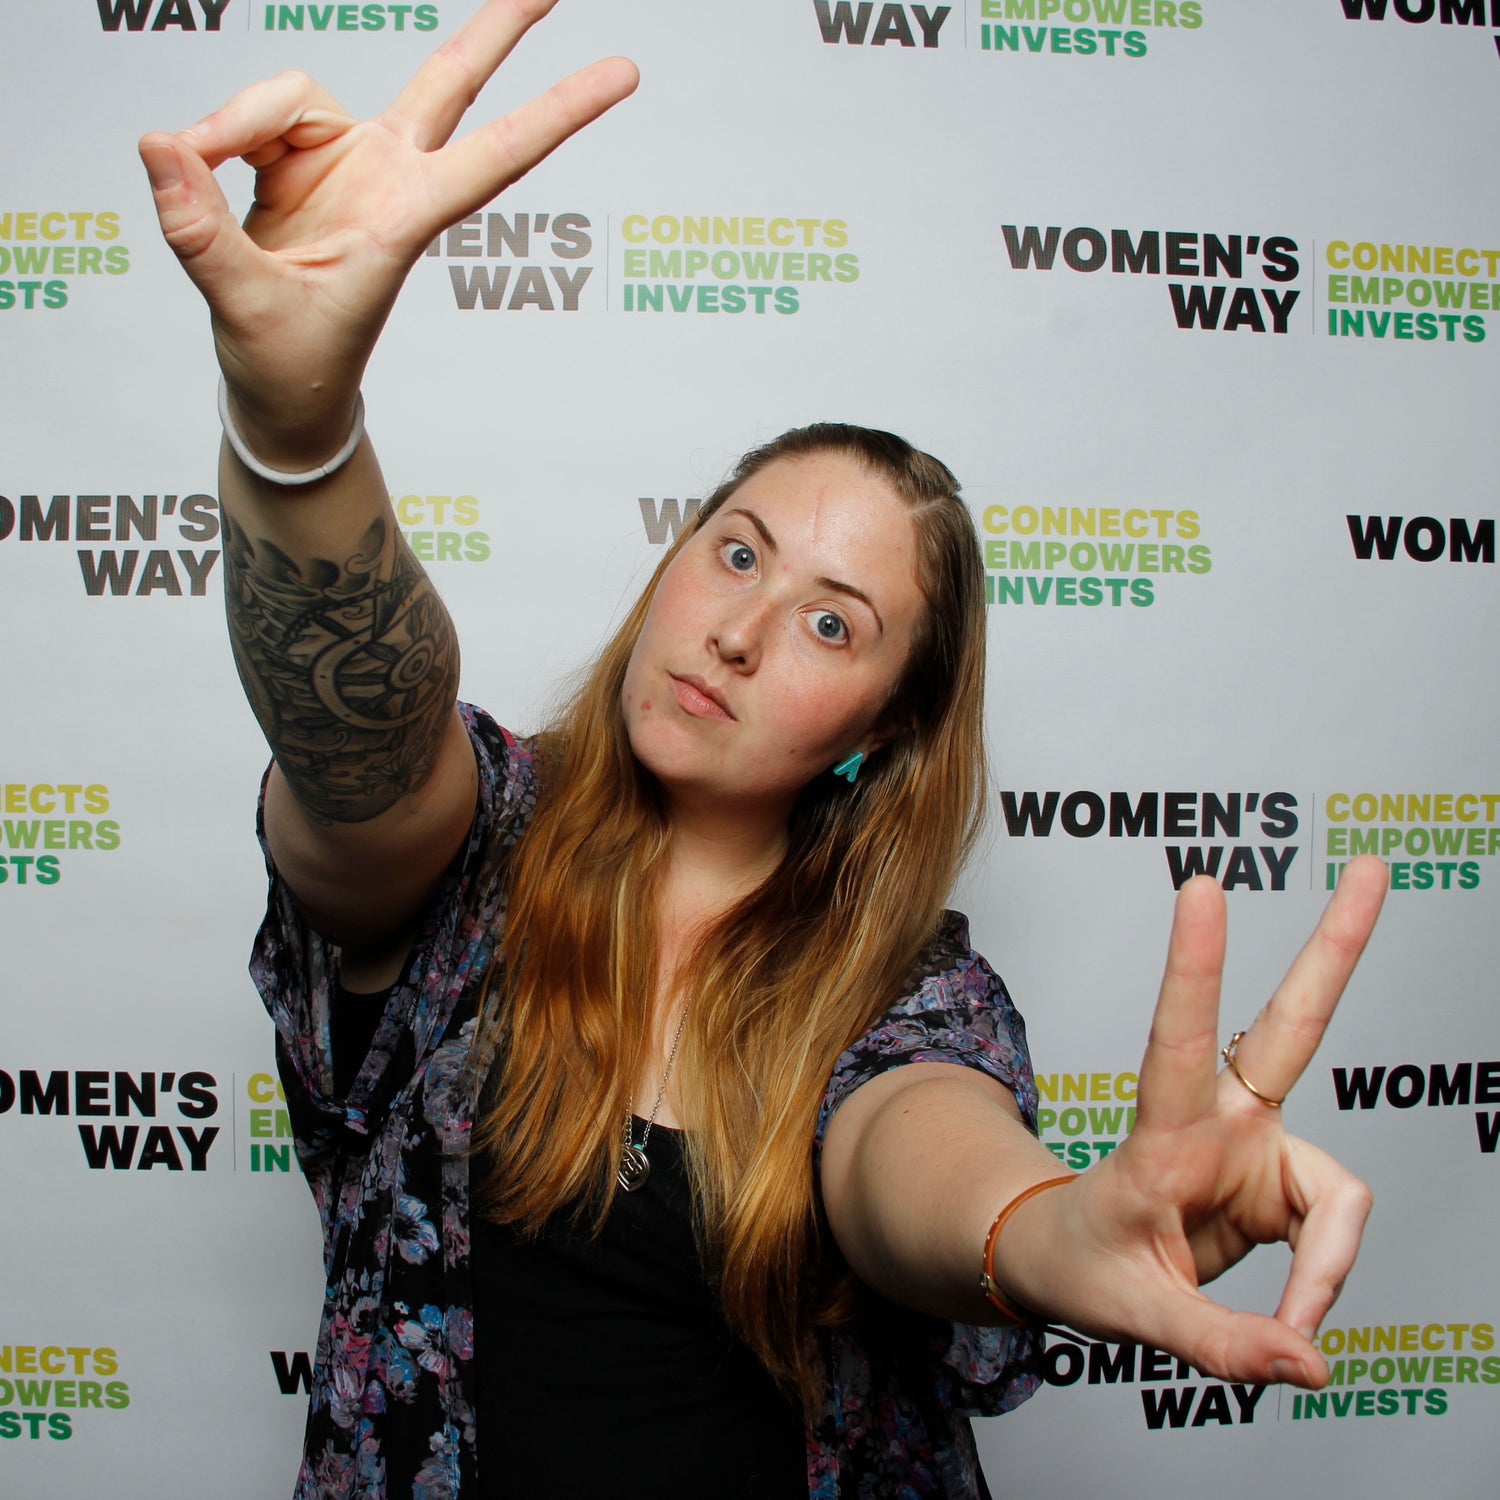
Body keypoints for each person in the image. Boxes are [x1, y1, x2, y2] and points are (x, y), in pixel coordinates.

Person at [138, 2, 1389, 1496]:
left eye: (833, 625)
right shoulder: (478, 848)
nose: (740, 629)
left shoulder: (914, 997)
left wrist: (1062, 1233)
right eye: (738, 555)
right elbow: (361, 750)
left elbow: (920, 1161)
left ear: (882, 736)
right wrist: (297, 420)